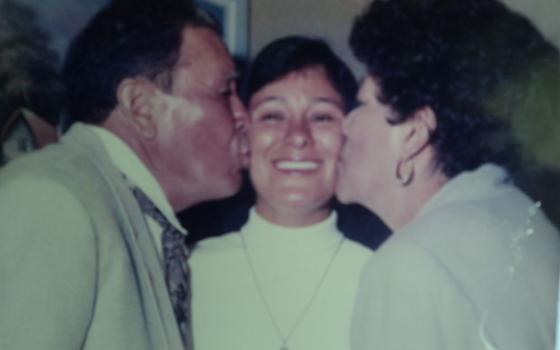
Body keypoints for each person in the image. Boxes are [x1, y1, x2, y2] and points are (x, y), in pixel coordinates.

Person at [0, 2, 246, 349]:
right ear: (142, 106)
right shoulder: (51, 202)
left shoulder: (130, 215)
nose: (244, 116)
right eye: (224, 93)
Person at [335, 0, 560, 350]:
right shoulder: (530, 225)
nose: (345, 124)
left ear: (413, 134)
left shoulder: (408, 264)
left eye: (361, 104)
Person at [190, 36, 372, 350]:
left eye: (321, 117)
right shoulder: (187, 271)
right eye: (273, 116)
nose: (298, 137)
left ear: (348, 137)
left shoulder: (382, 276)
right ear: (244, 136)